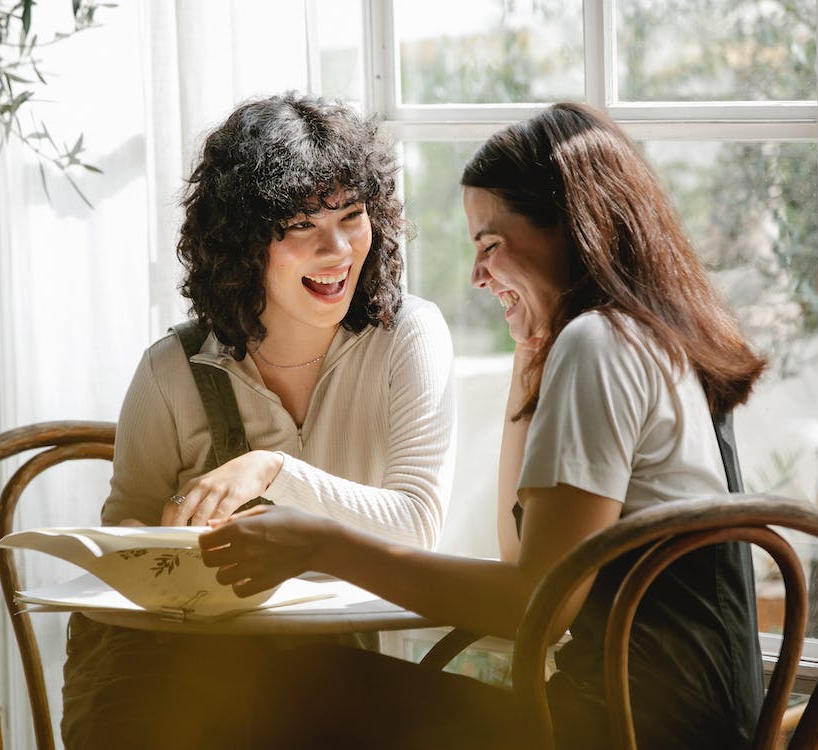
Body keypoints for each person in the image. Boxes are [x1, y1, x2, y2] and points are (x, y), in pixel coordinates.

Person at [199, 102, 769, 749]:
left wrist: (320, 545)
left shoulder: (599, 344)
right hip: (690, 720)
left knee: (295, 690)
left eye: (489, 246)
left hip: (629, 728)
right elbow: (520, 560)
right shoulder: (642, 336)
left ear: (569, 228)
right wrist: (529, 358)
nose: (475, 275)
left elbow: (536, 608)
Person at [60, 92, 456, 749]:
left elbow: (417, 528)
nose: (337, 251)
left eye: (352, 217)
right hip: (185, 677)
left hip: (333, 674)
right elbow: (126, 519)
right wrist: (151, 542)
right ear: (243, 243)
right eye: (301, 226)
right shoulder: (171, 369)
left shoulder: (407, 336)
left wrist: (271, 472)